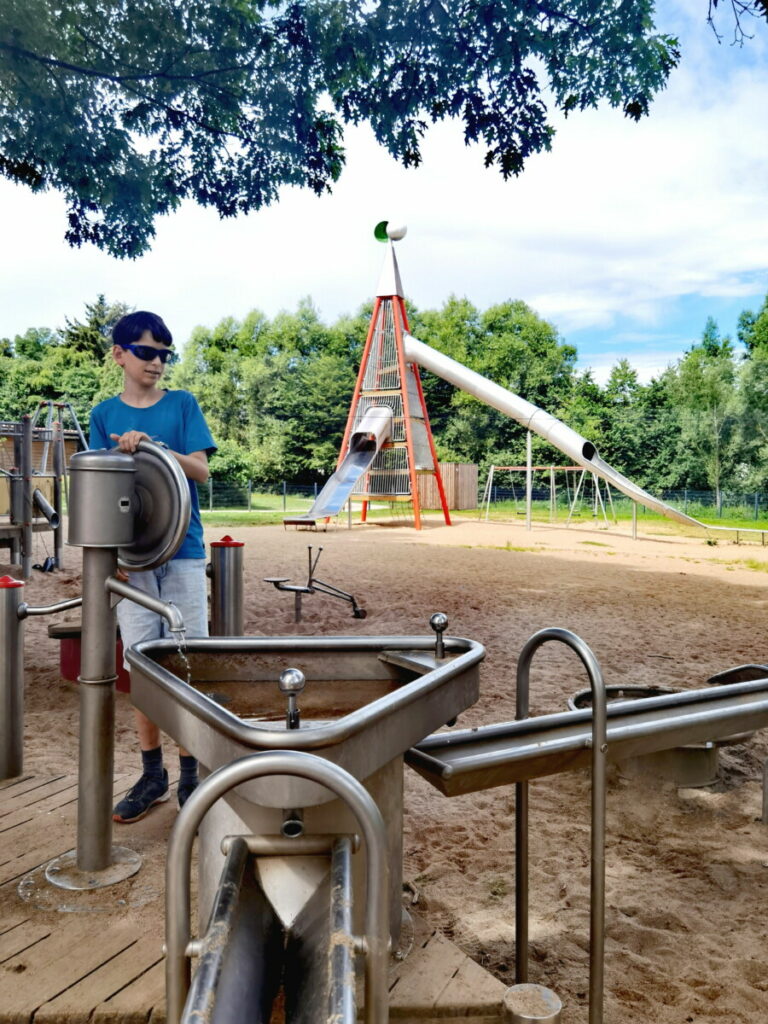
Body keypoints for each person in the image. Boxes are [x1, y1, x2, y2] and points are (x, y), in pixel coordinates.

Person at [89, 310, 217, 823]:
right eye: (146, 352)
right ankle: (152, 774)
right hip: (132, 560)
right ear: (119, 353)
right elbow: (102, 494)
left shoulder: (183, 405)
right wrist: (108, 562)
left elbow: (202, 471)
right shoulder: (103, 415)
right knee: (141, 667)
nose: (158, 362)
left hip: (182, 551)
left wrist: (155, 444)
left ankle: (190, 774)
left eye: (165, 353)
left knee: (186, 665)